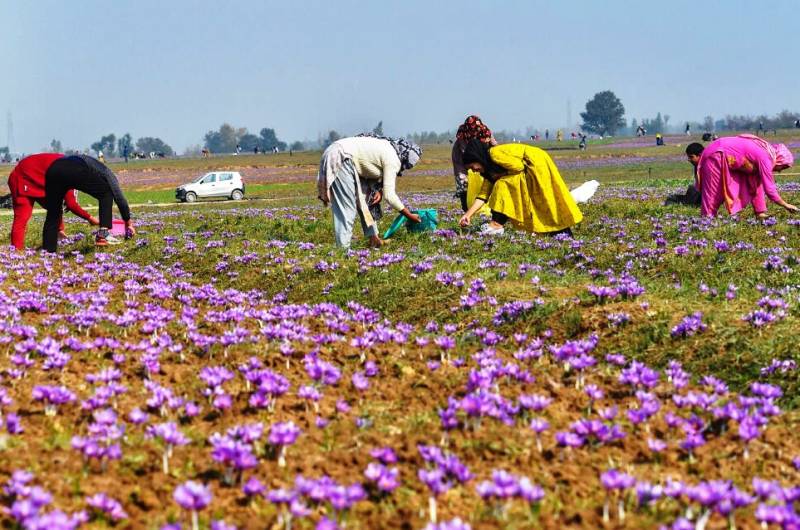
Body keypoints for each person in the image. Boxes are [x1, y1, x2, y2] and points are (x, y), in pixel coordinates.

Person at [458, 140, 583, 236]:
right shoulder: (488, 171)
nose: (473, 170)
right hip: (529, 168)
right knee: (540, 205)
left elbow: (518, 167)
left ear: (477, 158)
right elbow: (483, 195)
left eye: (472, 166)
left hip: (536, 164)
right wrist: (468, 215)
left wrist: (500, 176)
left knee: (545, 203)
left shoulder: (494, 154)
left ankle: (496, 224)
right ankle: (561, 235)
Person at [317, 135, 422, 248]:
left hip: (342, 153)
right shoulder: (393, 160)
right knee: (347, 208)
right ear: (406, 158)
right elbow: (390, 196)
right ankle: (343, 249)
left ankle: (374, 240)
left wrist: (378, 190)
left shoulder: (391, 149)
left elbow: (371, 164)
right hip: (342, 156)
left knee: (367, 202)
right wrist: (409, 215)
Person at [41, 154, 135, 251]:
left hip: (53, 169)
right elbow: (119, 198)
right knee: (106, 192)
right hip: (75, 168)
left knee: (53, 211)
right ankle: (103, 235)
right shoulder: (108, 174)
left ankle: (48, 250)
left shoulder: (95, 165)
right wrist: (128, 223)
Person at [8, 153, 100, 250]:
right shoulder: (70, 173)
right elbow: (71, 204)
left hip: (38, 179)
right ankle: (16, 251)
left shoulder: (71, 164)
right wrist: (90, 218)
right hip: (21, 177)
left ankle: (58, 232)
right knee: (22, 216)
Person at [696, 134, 797, 218]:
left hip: (721, 151)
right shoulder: (767, 158)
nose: (779, 171)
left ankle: (759, 213)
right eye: (782, 168)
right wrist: (785, 205)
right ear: (780, 160)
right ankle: (707, 221)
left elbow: (757, 183)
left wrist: (760, 212)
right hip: (717, 154)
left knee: (755, 178)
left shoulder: (766, 150)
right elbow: (769, 189)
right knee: (713, 192)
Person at [452, 115, 497, 212]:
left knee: (487, 182)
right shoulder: (463, 136)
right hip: (462, 161)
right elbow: (466, 153)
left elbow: (494, 146)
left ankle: (488, 208)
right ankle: (466, 209)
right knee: (463, 183)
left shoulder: (484, 131)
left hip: (480, 161)